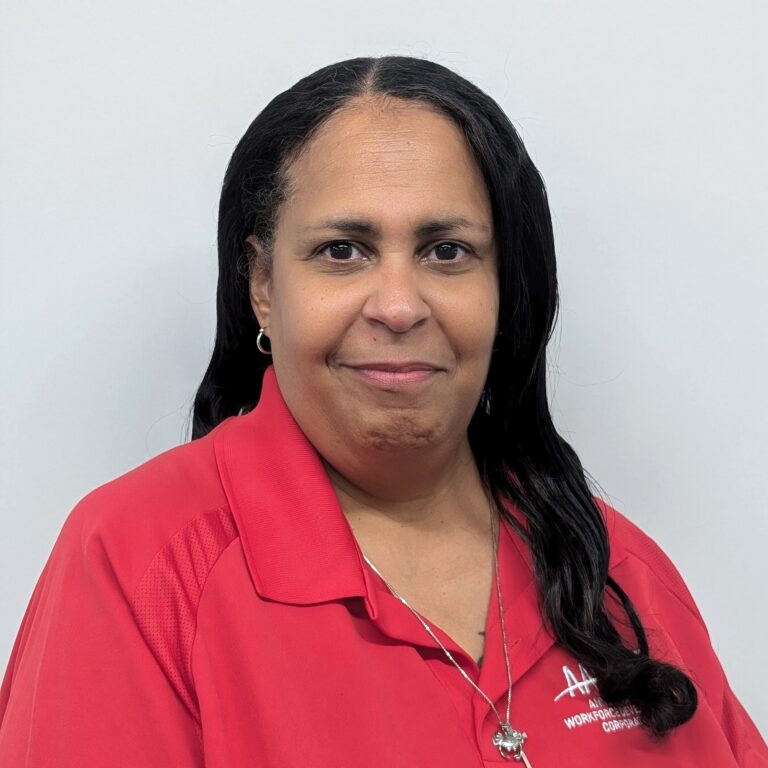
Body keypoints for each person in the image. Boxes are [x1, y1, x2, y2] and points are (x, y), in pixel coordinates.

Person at [0, 55, 765, 767]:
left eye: (446, 251)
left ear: (506, 292)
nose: (398, 306)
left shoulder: (619, 572)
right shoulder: (140, 566)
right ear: (263, 285)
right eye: (343, 250)